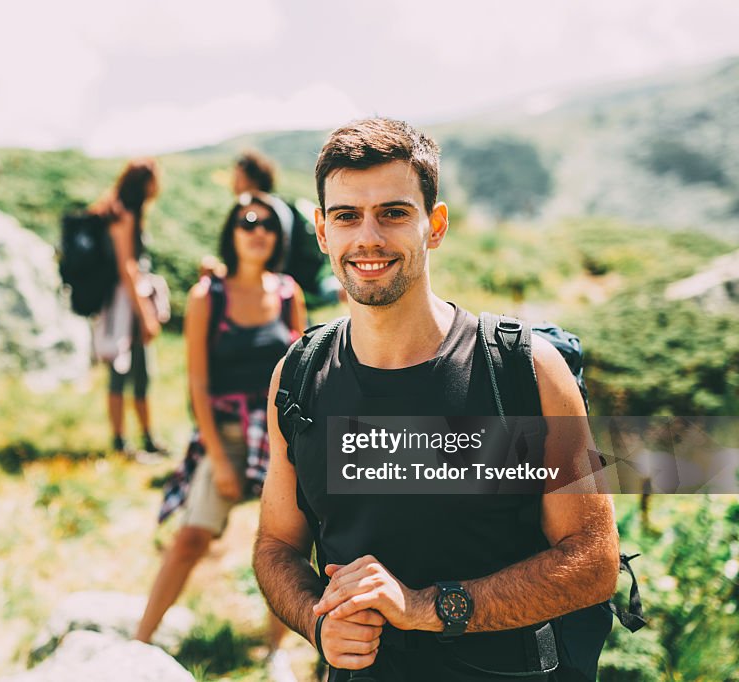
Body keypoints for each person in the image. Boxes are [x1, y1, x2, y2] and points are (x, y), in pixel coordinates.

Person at [252, 118, 620, 680]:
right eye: (347, 215)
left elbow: (593, 561)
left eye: (394, 212)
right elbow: (277, 544)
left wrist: (427, 608)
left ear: (436, 224)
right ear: (324, 232)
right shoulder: (298, 374)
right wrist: (316, 620)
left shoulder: (523, 371)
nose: (368, 237)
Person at [136, 194, 308, 679]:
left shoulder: (288, 293)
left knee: (287, 544)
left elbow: (300, 368)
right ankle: (139, 642)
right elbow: (198, 383)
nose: (258, 231)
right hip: (226, 434)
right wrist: (219, 456)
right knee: (192, 536)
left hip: (279, 438)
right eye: (247, 222)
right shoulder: (206, 297)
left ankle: (275, 648)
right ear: (230, 233)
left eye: (269, 225)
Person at [92, 159, 165, 456]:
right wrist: (145, 315)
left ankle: (132, 438)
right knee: (132, 372)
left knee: (125, 372)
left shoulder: (118, 209)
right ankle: (132, 439)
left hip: (120, 304)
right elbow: (127, 267)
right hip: (126, 307)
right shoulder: (124, 214)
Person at [232, 150, 341, 306]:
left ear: (252, 179)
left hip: (282, 291)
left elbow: (282, 251)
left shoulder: (269, 210)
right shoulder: (277, 206)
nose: (234, 183)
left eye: (238, 177)